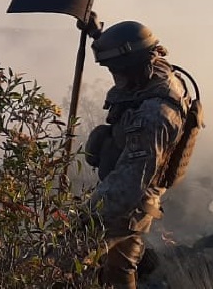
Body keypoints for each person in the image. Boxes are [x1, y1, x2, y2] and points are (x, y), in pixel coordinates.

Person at [82, 20, 202, 289]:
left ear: (137, 66)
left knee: (64, 260)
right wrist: (98, 36)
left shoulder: (154, 115)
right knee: (120, 269)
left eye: (120, 71)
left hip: (129, 205)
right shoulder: (154, 69)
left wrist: (87, 217)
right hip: (142, 202)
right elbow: (133, 45)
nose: (116, 77)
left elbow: (129, 182)